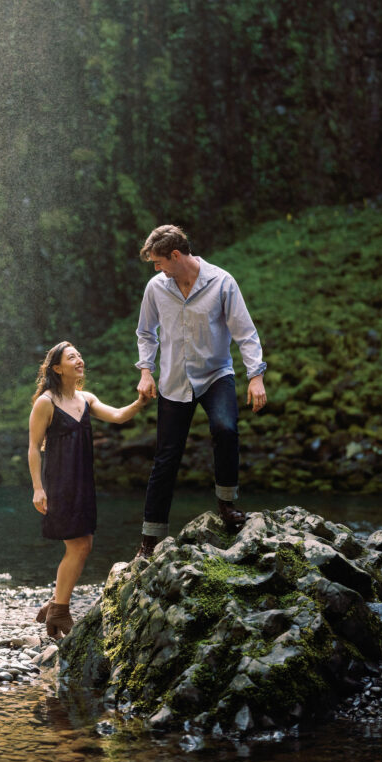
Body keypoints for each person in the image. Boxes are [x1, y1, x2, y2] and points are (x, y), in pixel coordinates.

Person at [135, 225, 267, 558]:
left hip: (215, 374)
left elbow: (245, 333)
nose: (156, 268)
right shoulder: (156, 288)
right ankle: (150, 539)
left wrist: (256, 376)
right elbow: (146, 333)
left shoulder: (222, 282)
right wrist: (146, 372)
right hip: (173, 381)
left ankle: (226, 504)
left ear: (176, 255)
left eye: (159, 261)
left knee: (226, 428)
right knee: (166, 458)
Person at [28, 341, 148, 638]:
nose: (79, 360)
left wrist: (141, 402)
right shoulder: (45, 402)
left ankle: (55, 605)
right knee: (79, 546)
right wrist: (37, 489)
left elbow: (119, 416)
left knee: (84, 545)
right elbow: (32, 447)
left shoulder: (86, 399)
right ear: (57, 368)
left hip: (83, 481)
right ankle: (59, 611)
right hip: (60, 482)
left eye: (79, 355)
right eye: (72, 357)